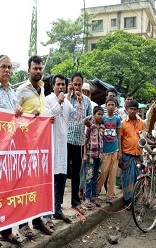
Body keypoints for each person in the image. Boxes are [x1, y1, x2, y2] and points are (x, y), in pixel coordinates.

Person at [0, 54, 23, 247]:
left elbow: (13, 116)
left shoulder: (12, 92)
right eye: (3, 66)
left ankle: (6, 232)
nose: (7, 70)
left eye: (10, 67)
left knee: (7, 193)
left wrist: (18, 110)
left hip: (10, 151)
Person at [16, 55, 53, 238]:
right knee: (24, 186)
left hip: (41, 146)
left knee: (38, 185)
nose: (38, 71)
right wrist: (30, 116)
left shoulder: (43, 88)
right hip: (25, 146)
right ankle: (23, 224)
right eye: (35, 68)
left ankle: (38, 220)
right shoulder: (21, 90)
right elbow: (13, 115)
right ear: (28, 70)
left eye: (40, 69)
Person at [44, 74, 78, 225]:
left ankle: (57, 209)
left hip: (62, 145)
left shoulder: (67, 102)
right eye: (58, 84)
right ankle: (47, 214)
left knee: (60, 179)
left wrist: (78, 101)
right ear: (53, 86)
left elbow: (75, 116)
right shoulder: (47, 100)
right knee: (49, 180)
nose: (61, 87)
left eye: (63, 84)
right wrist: (58, 102)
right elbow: (47, 116)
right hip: (50, 145)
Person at [66, 72, 93, 214]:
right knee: (63, 171)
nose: (77, 87)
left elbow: (90, 120)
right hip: (66, 139)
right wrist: (69, 93)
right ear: (71, 84)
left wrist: (88, 122)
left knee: (76, 171)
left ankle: (75, 202)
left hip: (79, 140)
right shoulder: (66, 98)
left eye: (79, 85)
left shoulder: (87, 101)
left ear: (82, 85)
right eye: (75, 84)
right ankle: (57, 204)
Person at [120, 100, 154, 208]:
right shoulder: (123, 124)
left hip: (138, 156)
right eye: (131, 109)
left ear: (137, 110)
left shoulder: (141, 123)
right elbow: (119, 139)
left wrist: (154, 143)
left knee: (137, 179)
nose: (133, 111)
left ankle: (135, 202)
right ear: (127, 109)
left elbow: (144, 138)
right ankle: (127, 202)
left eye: (135, 109)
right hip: (126, 155)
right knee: (127, 180)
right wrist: (120, 155)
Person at [96, 97, 121, 204]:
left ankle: (110, 195)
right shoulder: (103, 119)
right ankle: (96, 192)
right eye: (109, 105)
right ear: (106, 106)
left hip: (115, 149)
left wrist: (120, 150)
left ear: (115, 106)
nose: (111, 107)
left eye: (113, 105)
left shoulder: (117, 119)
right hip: (105, 150)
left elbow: (119, 134)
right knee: (103, 172)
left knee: (113, 174)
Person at [82, 106, 105, 208]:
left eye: (101, 114)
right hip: (91, 156)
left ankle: (94, 196)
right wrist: (85, 154)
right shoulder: (90, 127)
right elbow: (86, 140)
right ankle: (87, 197)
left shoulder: (102, 127)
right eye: (98, 114)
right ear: (94, 115)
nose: (100, 116)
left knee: (96, 176)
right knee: (89, 177)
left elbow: (102, 141)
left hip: (99, 156)